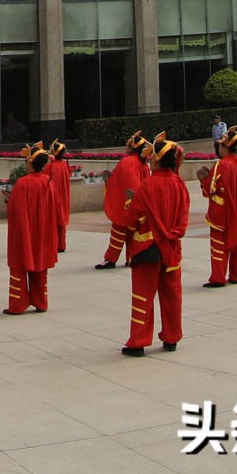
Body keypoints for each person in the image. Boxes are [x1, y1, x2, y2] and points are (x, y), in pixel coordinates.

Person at [122, 134, 189, 356]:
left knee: (143, 295)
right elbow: (183, 218)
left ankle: (139, 341)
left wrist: (130, 206)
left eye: (152, 157)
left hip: (148, 248)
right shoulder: (180, 184)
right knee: (172, 295)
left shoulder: (148, 185)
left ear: (158, 159)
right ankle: (172, 338)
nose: (149, 160)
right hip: (172, 248)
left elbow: (132, 220)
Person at [4, 143, 59, 315]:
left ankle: (18, 305)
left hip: (24, 230)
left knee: (19, 264)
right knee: (40, 264)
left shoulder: (22, 184)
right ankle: (41, 302)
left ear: (30, 163)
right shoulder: (48, 182)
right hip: (43, 230)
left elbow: (15, 211)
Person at [200, 129, 237, 287]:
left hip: (221, 212)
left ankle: (218, 277)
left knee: (219, 244)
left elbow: (208, 190)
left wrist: (203, 179)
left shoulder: (221, 165)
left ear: (225, 147)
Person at [94, 133, 149, 270]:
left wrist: (108, 181)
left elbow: (123, 183)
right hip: (137, 204)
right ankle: (131, 257)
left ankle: (110, 259)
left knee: (118, 231)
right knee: (132, 232)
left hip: (125, 203)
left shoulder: (127, 162)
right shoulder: (143, 163)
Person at [47, 140, 73, 254]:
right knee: (61, 222)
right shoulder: (65, 165)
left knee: (53, 221)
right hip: (64, 196)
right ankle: (61, 245)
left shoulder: (50, 166)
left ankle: (53, 244)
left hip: (54, 196)